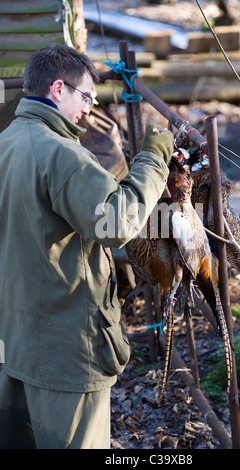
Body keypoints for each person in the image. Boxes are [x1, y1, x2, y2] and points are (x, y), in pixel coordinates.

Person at [0, 44, 173, 449]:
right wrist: (152, 159)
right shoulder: (62, 155)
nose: (87, 110)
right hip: (66, 349)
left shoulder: (6, 139)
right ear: (58, 89)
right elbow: (117, 224)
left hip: (15, 341)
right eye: (86, 97)